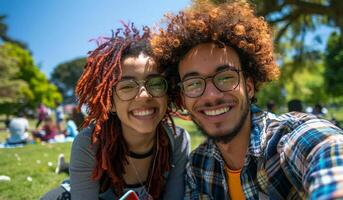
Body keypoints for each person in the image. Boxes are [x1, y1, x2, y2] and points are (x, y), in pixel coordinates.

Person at [151, 1, 343, 199]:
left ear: (248, 87)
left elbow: (329, 151)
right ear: (183, 98)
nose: (211, 95)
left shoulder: (291, 139)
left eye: (226, 77)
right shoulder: (197, 167)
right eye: (193, 84)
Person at [41, 24, 190, 200]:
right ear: (110, 102)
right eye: (127, 86)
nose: (143, 96)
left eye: (156, 83)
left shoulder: (178, 140)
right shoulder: (89, 144)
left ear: (168, 92)